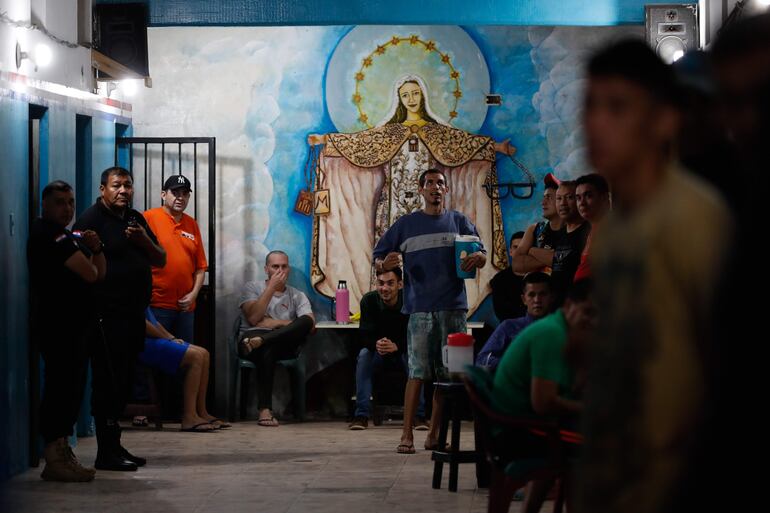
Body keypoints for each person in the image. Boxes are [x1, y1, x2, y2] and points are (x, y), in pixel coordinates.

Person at [576, 39, 731, 513]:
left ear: (664, 119)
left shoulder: (695, 221)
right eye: (591, 106)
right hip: (618, 476)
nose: (597, 123)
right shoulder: (615, 227)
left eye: (618, 108)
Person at [307, 74, 515, 319]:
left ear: (423, 95)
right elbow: (359, 142)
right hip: (391, 207)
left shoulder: (436, 133)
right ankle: (390, 314)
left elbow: (464, 143)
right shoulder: (388, 134)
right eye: (405, 95)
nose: (411, 99)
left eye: (415, 93)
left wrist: (497, 148)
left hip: (446, 299)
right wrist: (326, 141)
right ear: (398, 99)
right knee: (394, 262)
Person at [373, 168, 486, 454]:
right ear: (421, 190)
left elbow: (481, 253)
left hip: (454, 310)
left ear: (446, 190)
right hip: (420, 310)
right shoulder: (406, 225)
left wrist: (479, 257)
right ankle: (407, 435)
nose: (436, 188)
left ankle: (435, 435)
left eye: (440, 183)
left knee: (449, 376)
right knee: (417, 373)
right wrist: (385, 264)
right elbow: (378, 259)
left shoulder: (459, 221)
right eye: (430, 184)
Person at [74, 167, 166, 472]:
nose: (123, 191)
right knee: (108, 382)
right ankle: (106, 452)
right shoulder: (90, 221)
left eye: (128, 185)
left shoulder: (135, 219)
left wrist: (143, 241)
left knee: (123, 381)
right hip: (105, 316)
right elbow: (80, 268)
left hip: (132, 315)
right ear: (103, 189)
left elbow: (160, 258)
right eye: (116, 186)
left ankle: (114, 445)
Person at [491, 279, 595, 513]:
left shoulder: (560, 330)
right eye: (588, 312)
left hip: (520, 425)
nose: (593, 321)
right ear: (569, 306)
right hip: (516, 433)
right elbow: (544, 403)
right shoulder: (552, 334)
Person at [28, 181, 106, 482]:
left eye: (71, 201)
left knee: (71, 387)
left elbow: (99, 274)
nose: (67, 208)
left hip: (74, 326)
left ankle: (62, 452)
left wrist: (96, 248)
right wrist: (92, 251)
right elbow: (91, 273)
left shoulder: (65, 237)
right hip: (58, 325)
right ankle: (54, 456)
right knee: (61, 388)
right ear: (44, 205)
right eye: (60, 202)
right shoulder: (50, 234)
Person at [239, 251, 315, 427]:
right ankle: (264, 410)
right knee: (268, 349)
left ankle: (264, 340)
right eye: (275, 267)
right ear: (266, 269)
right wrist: (271, 289)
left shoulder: (297, 295)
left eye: (284, 266)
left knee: (304, 321)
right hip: (249, 342)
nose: (280, 271)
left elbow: (309, 326)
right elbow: (254, 318)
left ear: (288, 269)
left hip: (279, 343)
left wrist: (270, 324)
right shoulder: (252, 287)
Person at [349, 268, 426, 430]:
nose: (384, 288)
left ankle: (419, 415)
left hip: (403, 352)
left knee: (415, 356)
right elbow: (364, 334)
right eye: (381, 283)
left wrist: (397, 346)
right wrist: (377, 344)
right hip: (378, 353)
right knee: (364, 355)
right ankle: (361, 415)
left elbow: (418, 335)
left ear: (399, 284)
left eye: (390, 283)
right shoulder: (369, 301)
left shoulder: (411, 301)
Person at [143, 174, 207, 343]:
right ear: (164, 194)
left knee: (186, 359)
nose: (181, 197)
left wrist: (193, 295)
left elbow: (200, 267)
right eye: (175, 192)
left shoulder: (192, 224)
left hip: (186, 308)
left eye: (185, 193)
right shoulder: (149, 218)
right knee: (155, 360)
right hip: (156, 305)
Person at [139, 309, 225, 432]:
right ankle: (189, 417)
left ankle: (201, 412)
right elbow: (141, 323)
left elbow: (154, 322)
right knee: (195, 357)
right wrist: (165, 338)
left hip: (151, 339)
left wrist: (171, 338)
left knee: (204, 353)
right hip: (139, 342)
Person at [476, 272, 553, 370]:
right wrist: (513, 363)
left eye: (542, 294)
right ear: (524, 299)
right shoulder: (509, 327)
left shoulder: (561, 329)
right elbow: (482, 359)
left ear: (552, 297)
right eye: (532, 295)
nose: (537, 300)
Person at [512, 173, 563, 275]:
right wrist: (550, 257)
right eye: (544, 197)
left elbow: (568, 262)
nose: (543, 202)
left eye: (548, 197)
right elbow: (516, 264)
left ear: (562, 201)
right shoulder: (535, 229)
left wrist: (530, 251)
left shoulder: (573, 228)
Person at [572, 173, 610, 281]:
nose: (582, 203)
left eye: (588, 196)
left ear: (604, 198)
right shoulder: (594, 230)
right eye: (578, 198)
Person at [489, 231, 527, 321]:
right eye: (515, 247)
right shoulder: (499, 280)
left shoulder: (538, 277)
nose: (519, 251)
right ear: (510, 251)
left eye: (523, 247)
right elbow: (501, 314)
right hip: (510, 330)